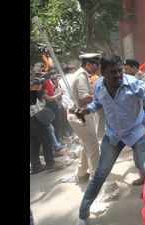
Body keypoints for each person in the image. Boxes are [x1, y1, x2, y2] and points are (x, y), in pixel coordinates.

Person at [75, 55, 145, 225]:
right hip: (113, 135)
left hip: (137, 133)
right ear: (102, 72)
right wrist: (86, 110)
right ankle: (83, 214)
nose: (118, 75)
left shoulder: (135, 84)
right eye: (113, 72)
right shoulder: (99, 85)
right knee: (100, 174)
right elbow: (98, 103)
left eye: (120, 70)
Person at [66, 53, 102, 183]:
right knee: (93, 146)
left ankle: (81, 173)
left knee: (85, 143)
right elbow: (84, 98)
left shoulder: (83, 75)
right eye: (95, 65)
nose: (97, 68)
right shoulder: (81, 76)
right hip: (80, 115)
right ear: (88, 64)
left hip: (77, 114)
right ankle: (96, 178)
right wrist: (101, 95)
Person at [30, 77, 65, 174]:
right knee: (46, 142)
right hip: (37, 119)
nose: (40, 88)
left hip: (32, 121)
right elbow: (37, 109)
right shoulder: (33, 93)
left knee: (34, 144)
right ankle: (50, 163)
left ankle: (36, 166)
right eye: (39, 86)